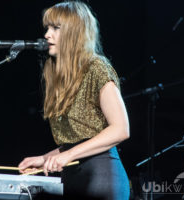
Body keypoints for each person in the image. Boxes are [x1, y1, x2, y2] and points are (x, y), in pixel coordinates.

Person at [19, 1, 130, 199]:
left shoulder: (96, 67)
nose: (47, 35)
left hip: (102, 175)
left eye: (55, 28)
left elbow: (120, 129)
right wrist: (45, 159)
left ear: (74, 32)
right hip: (72, 178)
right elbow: (75, 140)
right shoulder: (58, 77)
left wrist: (68, 155)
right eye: (47, 28)